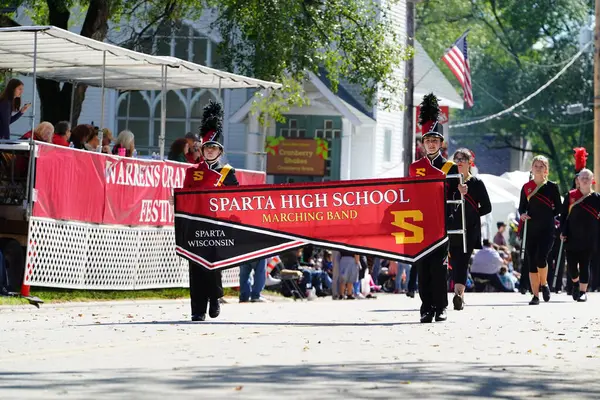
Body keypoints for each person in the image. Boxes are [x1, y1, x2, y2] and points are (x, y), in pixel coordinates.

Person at [408, 93, 467, 323]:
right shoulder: (415, 167)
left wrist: (460, 192)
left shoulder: (450, 167)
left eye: (435, 141)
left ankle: (440, 306)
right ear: (422, 144)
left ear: (441, 143)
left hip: (441, 222)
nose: (431, 144)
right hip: (420, 224)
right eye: (428, 140)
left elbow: (454, 193)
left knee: (440, 267)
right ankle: (426, 307)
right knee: (423, 268)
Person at [183, 101, 238, 322]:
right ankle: (197, 309)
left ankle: (215, 297)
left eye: (214, 147)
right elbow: (185, 195)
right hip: (196, 225)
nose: (210, 150)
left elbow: (236, 200)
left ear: (220, 150)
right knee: (196, 266)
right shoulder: (192, 171)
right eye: (207, 147)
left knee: (213, 266)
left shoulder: (227, 172)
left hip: (217, 226)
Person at [448, 148, 491, 310]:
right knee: (454, 261)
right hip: (453, 227)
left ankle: (458, 294)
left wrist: (473, 215)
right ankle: (459, 293)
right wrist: (455, 193)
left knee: (463, 262)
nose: (459, 162)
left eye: (462, 159)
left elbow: (487, 207)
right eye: (456, 159)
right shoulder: (450, 180)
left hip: (470, 229)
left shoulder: (477, 183)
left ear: (469, 163)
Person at [519, 155, 562, 305]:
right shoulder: (526, 187)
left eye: (541, 166)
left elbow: (559, 208)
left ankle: (544, 284)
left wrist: (549, 213)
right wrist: (523, 215)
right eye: (536, 166)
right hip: (531, 228)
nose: (538, 168)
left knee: (541, 257)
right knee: (532, 261)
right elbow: (521, 207)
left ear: (546, 170)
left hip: (548, 228)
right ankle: (535, 295)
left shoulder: (552, 186)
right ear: (531, 168)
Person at [560, 168, 600, 302]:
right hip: (571, 236)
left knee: (585, 264)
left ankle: (583, 292)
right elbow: (563, 216)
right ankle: (575, 284)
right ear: (577, 180)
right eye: (582, 177)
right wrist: (562, 232)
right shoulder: (570, 196)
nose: (584, 180)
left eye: (587, 177)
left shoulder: (596, 198)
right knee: (571, 265)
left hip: (589, 237)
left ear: (592, 181)